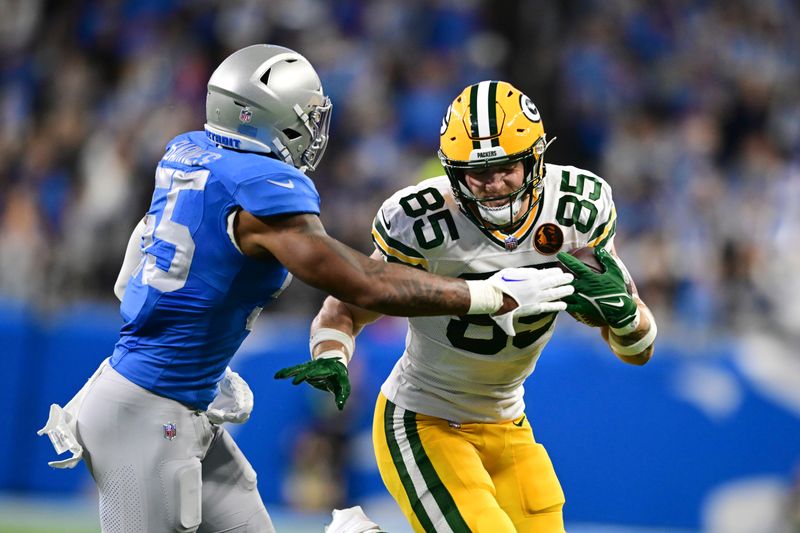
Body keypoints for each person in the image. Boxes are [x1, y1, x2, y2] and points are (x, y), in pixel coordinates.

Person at [36, 47, 576, 533]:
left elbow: (130, 279)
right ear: (269, 118)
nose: (315, 128)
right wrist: (487, 295)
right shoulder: (261, 188)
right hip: (147, 414)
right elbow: (365, 283)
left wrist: (194, 357)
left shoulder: (188, 153)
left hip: (169, 397)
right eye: (306, 116)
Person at [276, 80, 657, 532]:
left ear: (535, 159)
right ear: (454, 172)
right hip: (424, 417)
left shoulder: (577, 208)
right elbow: (348, 305)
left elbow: (638, 352)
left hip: (509, 421)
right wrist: (331, 352)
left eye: (507, 168)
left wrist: (628, 318)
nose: (494, 185)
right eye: (479, 173)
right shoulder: (422, 220)